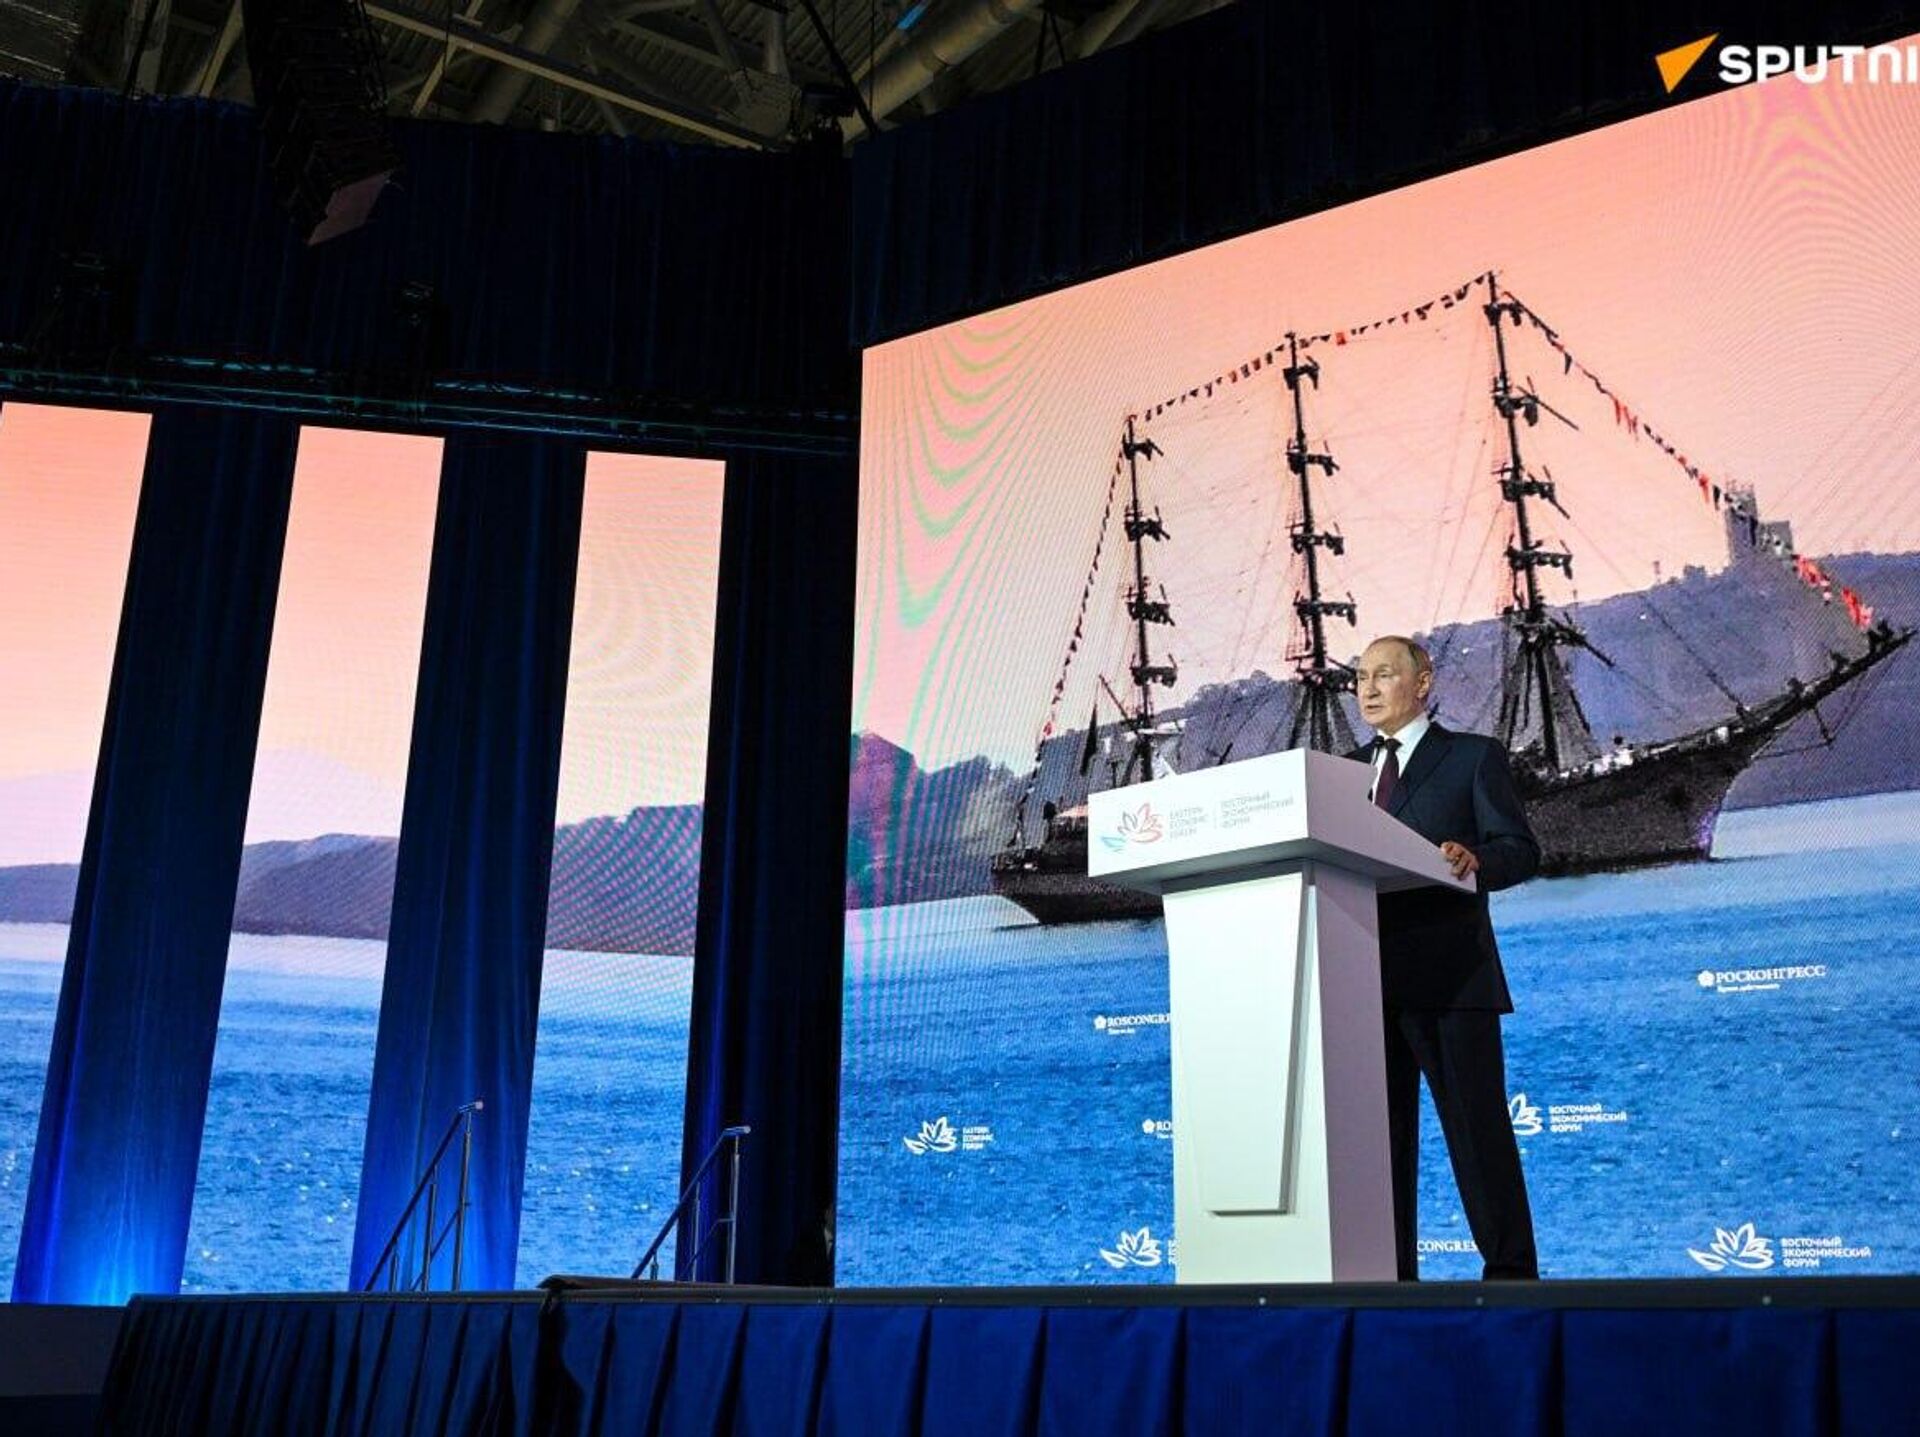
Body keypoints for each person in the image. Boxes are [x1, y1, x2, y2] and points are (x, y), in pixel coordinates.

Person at [1348, 635, 1541, 1281]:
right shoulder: (1340, 776)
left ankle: (1512, 1280)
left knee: (1478, 1137)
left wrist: (1476, 858)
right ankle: (1391, 1282)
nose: (1368, 688)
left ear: (1423, 682)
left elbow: (1520, 849)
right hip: (1360, 985)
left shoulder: (1472, 757)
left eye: (1384, 674)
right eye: (1360, 677)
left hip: (1453, 980)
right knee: (1380, 1150)